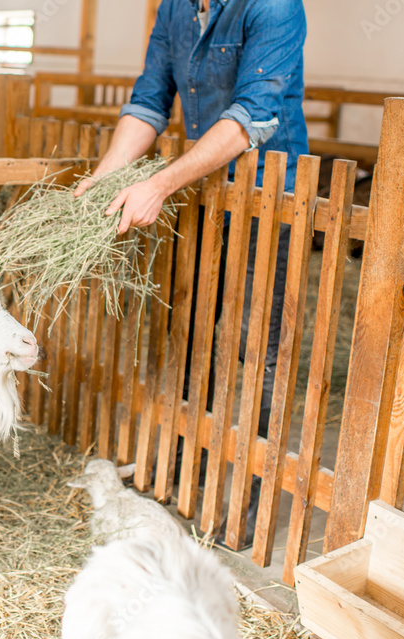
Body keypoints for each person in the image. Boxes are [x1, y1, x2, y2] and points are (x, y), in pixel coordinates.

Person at [75, 0, 308, 546]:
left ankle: (247, 501)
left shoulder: (274, 8)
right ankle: (184, 477)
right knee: (196, 332)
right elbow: (149, 101)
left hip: (269, 196)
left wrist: (157, 184)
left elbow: (252, 116)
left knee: (257, 349)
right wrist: (105, 178)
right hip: (202, 188)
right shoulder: (176, 8)